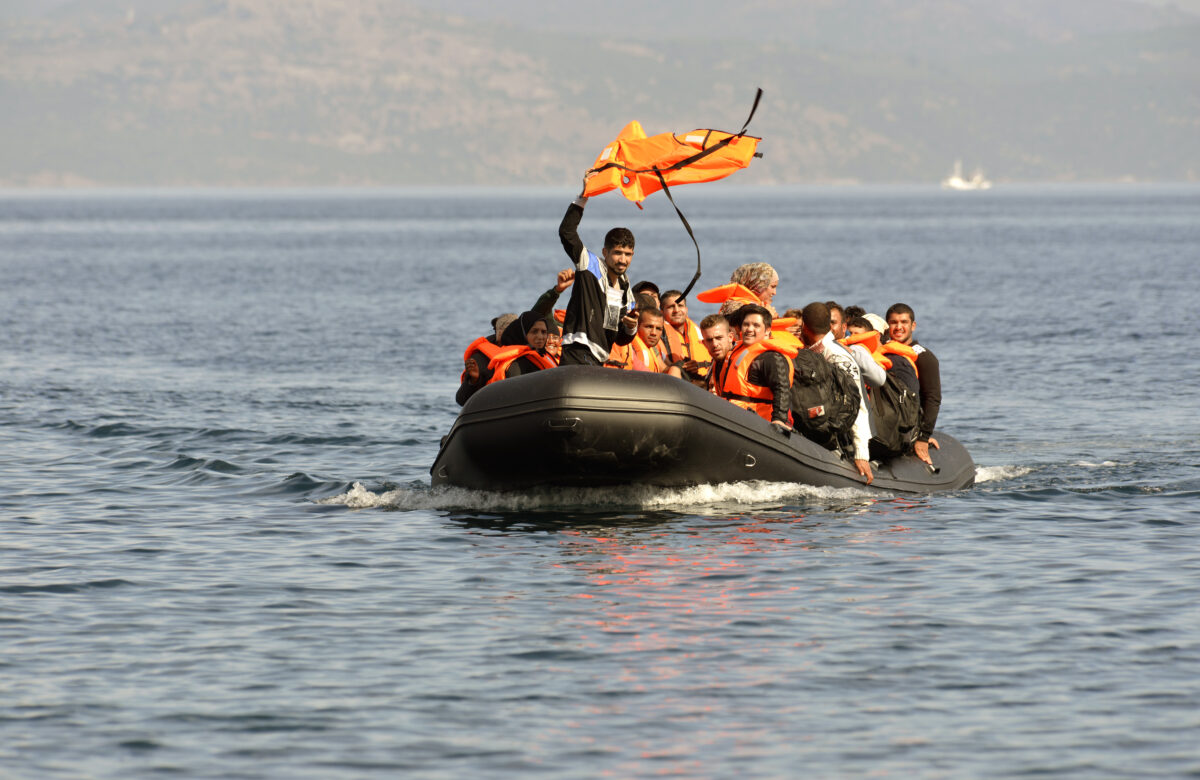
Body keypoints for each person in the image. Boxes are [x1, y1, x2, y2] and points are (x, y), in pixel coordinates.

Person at [557, 185, 638, 365]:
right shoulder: (589, 265)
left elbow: (620, 339)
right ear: (605, 252)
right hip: (577, 351)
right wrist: (584, 195)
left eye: (628, 254)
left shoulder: (627, 292)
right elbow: (566, 232)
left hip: (599, 358)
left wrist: (631, 328)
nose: (622, 260)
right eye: (617, 253)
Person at [797, 301, 873, 484]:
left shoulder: (836, 355)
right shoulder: (808, 352)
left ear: (804, 327)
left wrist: (861, 453)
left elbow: (858, 403)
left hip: (845, 439)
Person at [716, 304, 793, 430]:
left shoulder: (770, 358)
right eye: (746, 324)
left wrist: (779, 419)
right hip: (733, 420)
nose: (749, 329)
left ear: (767, 330)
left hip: (758, 427)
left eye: (756, 325)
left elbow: (782, 389)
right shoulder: (737, 350)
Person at [886, 303, 941, 467]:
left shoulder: (924, 357)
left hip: (910, 428)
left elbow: (933, 398)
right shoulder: (882, 352)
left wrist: (923, 437)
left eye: (904, 322)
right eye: (894, 322)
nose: (898, 327)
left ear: (913, 326)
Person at [456, 312, 518, 406]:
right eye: (502, 330)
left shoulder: (529, 353)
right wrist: (474, 380)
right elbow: (461, 399)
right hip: (492, 408)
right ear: (497, 332)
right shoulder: (480, 358)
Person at [487, 311, 558, 383]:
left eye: (543, 332)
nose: (540, 337)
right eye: (534, 331)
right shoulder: (515, 366)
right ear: (523, 334)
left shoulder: (543, 355)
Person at [607, 308, 680, 376]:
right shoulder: (629, 344)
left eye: (658, 329)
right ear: (637, 326)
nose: (654, 333)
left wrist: (679, 368)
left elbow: (663, 369)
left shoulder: (652, 347)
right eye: (649, 327)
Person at [660, 289, 712, 384]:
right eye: (671, 307)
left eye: (680, 305)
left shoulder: (699, 331)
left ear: (686, 309)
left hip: (705, 384)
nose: (676, 310)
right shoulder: (657, 334)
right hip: (678, 385)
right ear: (662, 312)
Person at [699, 314, 734, 394]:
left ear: (730, 337)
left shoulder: (744, 363)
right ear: (704, 343)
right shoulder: (715, 364)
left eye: (719, 338)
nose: (714, 344)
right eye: (709, 340)